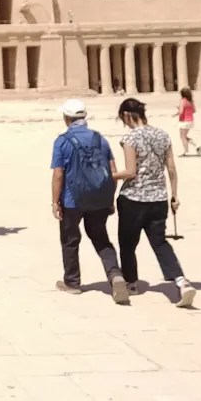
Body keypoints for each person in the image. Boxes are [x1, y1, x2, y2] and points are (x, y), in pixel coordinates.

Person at [113, 98, 197, 307]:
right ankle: (181, 281)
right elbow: (171, 169)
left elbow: (131, 172)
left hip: (134, 199)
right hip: (159, 199)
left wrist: (110, 175)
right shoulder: (163, 135)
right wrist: (174, 196)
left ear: (126, 116)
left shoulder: (130, 138)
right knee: (159, 242)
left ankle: (131, 282)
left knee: (127, 243)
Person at [50, 99, 127, 303]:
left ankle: (72, 282)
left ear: (67, 118)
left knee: (70, 239)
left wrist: (55, 201)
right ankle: (115, 275)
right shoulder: (100, 139)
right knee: (101, 238)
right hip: (99, 198)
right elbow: (112, 171)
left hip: (71, 200)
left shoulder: (62, 141)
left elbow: (58, 174)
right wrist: (108, 197)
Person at [175, 87, 201, 156]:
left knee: (182, 137)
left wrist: (175, 114)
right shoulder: (191, 101)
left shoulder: (183, 100)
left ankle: (186, 151)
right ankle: (197, 146)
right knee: (184, 136)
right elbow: (194, 111)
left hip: (184, 121)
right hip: (191, 121)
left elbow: (181, 111)